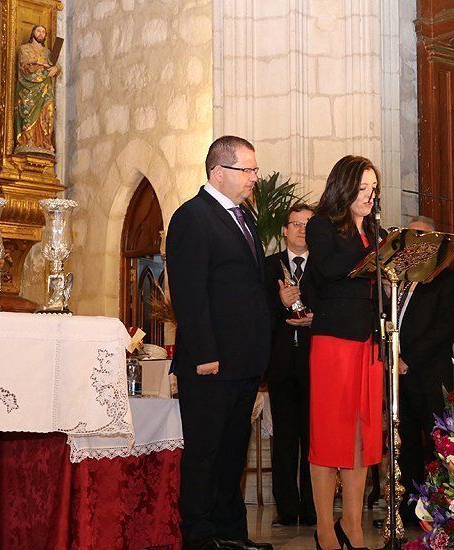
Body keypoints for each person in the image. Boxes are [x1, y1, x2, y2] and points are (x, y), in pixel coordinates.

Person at [166, 135, 273, 550]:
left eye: (254, 170)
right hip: (211, 363)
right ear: (218, 172)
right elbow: (190, 293)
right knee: (206, 453)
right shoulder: (193, 216)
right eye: (246, 170)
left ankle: (231, 534)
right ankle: (200, 536)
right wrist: (206, 353)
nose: (253, 178)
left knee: (232, 453)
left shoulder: (241, 218)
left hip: (243, 360)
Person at [305, 155, 383, 550]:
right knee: (327, 433)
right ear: (345, 186)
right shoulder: (321, 226)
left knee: (360, 434)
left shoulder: (374, 229)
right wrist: (375, 256)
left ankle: (352, 525)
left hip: (368, 340)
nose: (370, 196)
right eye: (363, 188)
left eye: (374, 188)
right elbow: (330, 268)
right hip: (333, 341)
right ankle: (323, 528)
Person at [396, 216, 454, 524]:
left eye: (422, 235)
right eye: (411, 235)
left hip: (430, 375)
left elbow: (443, 329)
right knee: (405, 445)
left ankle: (442, 509)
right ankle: (409, 509)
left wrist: (408, 360)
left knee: (438, 445)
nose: (416, 240)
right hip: (399, 377)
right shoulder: (400, 278)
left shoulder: (447, 278)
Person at [263, 203, 317, 527]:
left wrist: (316, 319)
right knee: (284, 440)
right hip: (281, 364)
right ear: (285, 230)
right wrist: (279, 303)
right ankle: (286, 508)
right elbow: (257, 312)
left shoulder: (322, 267)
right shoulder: (269, 267)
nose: (301, 230)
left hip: (314, 364)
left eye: (307, 224)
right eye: (295, 224)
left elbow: (333, 309)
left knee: (313, 440)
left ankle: (312, 508)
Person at [15, 25, 60, 154]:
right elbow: (25, 65)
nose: (41, 34)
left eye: (43, 32)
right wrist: (42, 66)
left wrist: (56, 69)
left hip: (46, 88)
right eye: (38, 31)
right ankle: (28, 140)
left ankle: (45, 141)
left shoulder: (48, 52)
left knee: (48, 112)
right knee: (28, 111)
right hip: (29, 89)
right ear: (32, 33)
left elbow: (56, 66)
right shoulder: (24, 49)